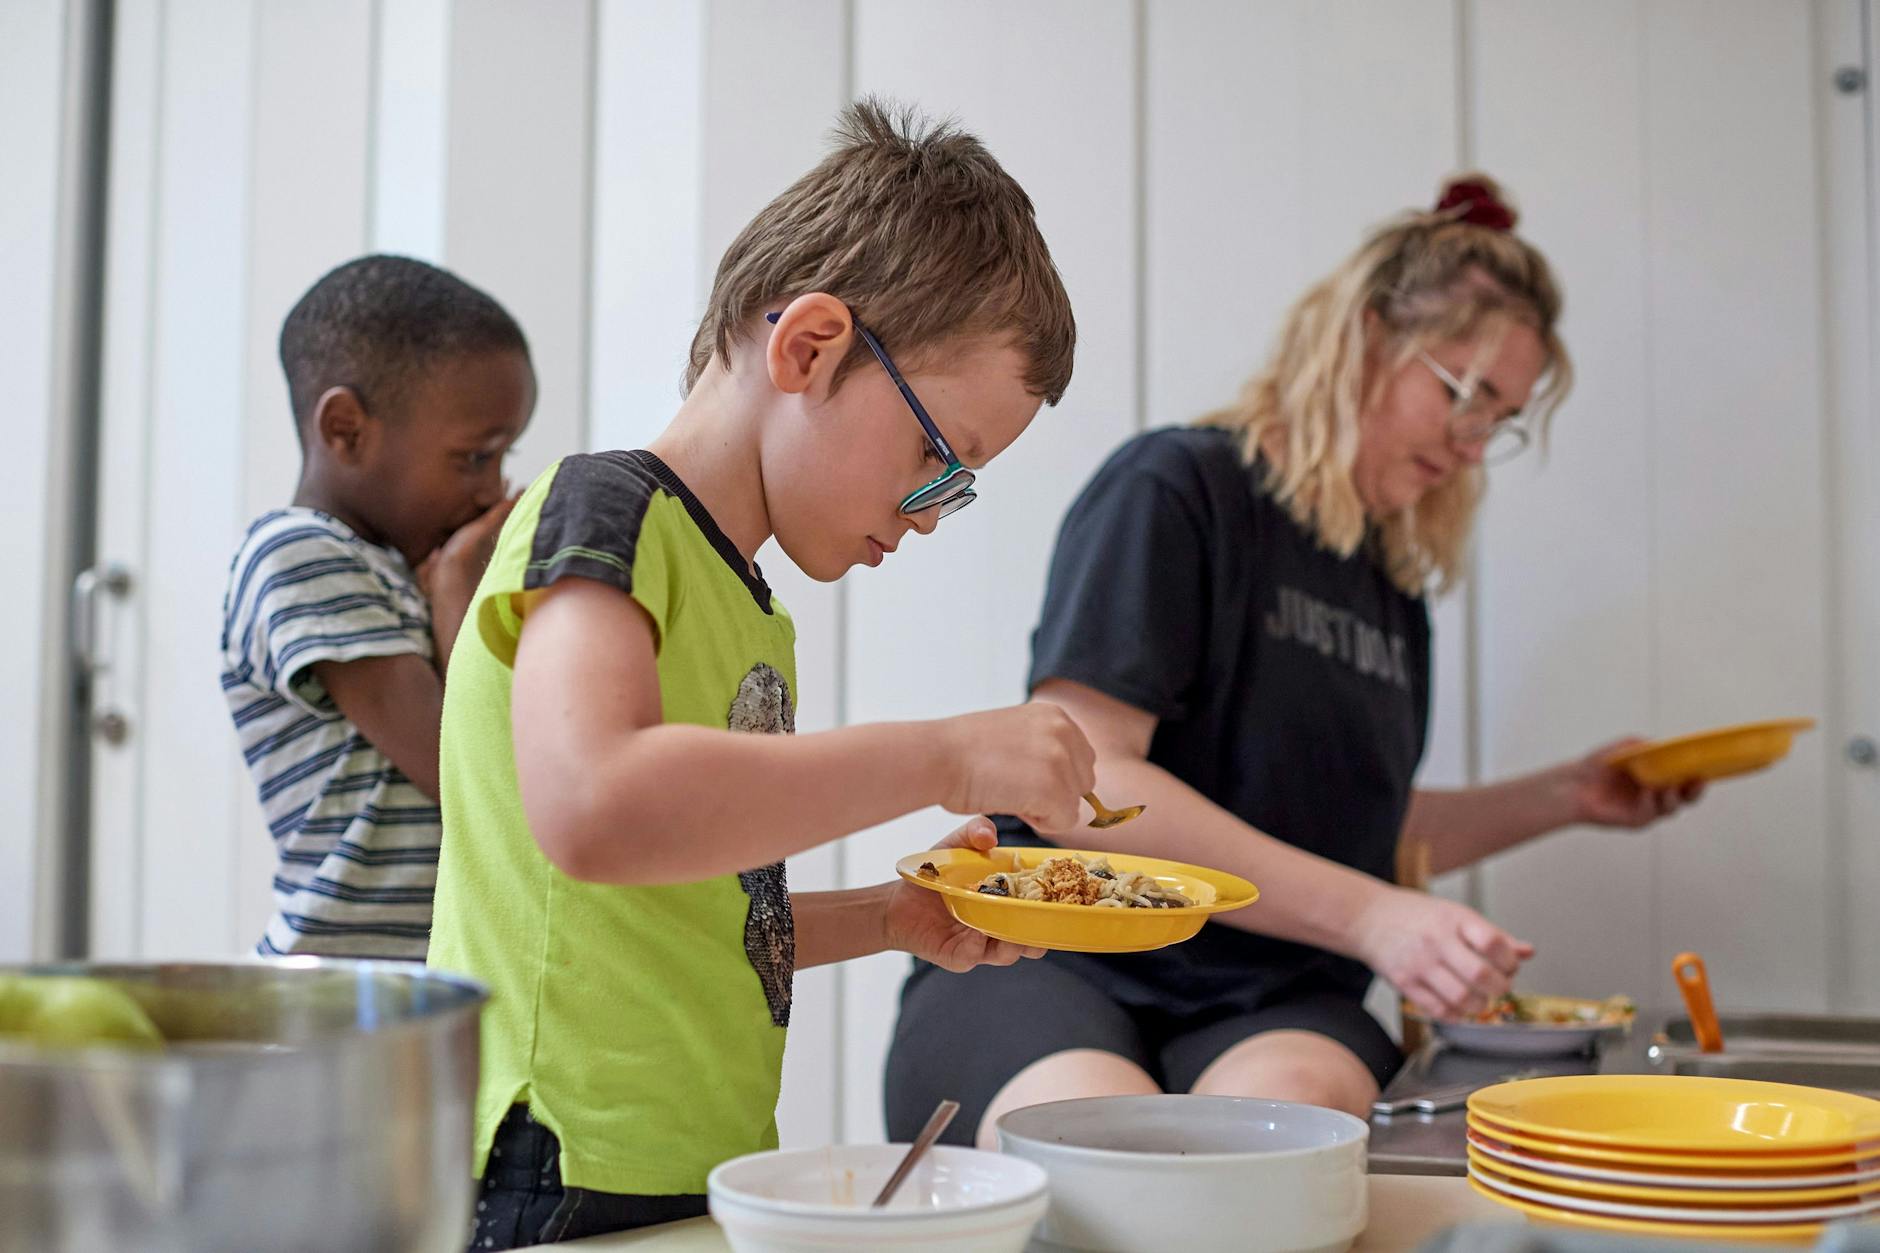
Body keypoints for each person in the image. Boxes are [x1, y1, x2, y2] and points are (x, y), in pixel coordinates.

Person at [884, 174, 1704, 1148]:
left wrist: (1568, 793)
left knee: (1279, 1142)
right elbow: (1091, 768)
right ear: (1361, 338)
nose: (1472, 443)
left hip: (1268, 987)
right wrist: (1372, 918)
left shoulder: (1388, 587)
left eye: (1499, 419)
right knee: (1101, 1150)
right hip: (1055, 948)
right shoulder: (1179, 486)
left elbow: (1348, 823)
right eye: (1461, 394)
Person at [425, 99, 1096, 1249]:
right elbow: (597, 809)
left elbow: (698, 910)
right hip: (556, 1161)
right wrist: (946, 752)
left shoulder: (749, 605)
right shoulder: (608, 510)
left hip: (683, 1156)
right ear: (808, 346)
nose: (931, 514)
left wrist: (891, 915)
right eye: (941, 461)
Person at [219, 255, 532, 959]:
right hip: (340, 992)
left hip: (428, 979)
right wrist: (457, 597)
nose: (492, 491)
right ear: (347, 430)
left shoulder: (398, 568)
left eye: (504, 456)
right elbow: (461, 771)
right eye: (475, 457)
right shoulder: (297, 553)